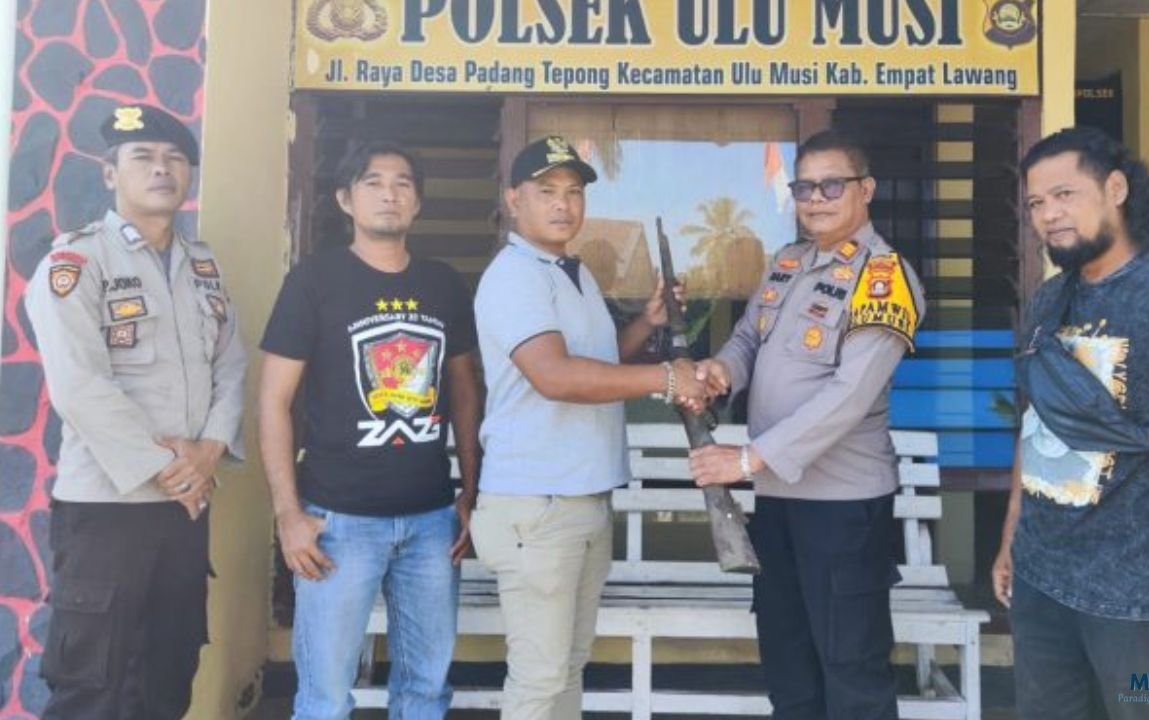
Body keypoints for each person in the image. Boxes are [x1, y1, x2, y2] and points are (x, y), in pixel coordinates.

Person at [990, 126, 1149, 720]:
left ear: (1115, 189)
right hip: (1043, 582)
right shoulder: (1049, 300)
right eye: (1036, 202)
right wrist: (1011, 538)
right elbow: (1038, 425)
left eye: (1065, 194)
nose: (1048, 215)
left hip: (1147, 599)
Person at [689, 129, 925, 720]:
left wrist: (747, 459)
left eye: (831, 185)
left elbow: (850, 396)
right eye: (804, 188)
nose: (815, 198)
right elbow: (748, 338)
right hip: (779, 501)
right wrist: (723, 369)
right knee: (788, 664)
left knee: (853, 671)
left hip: (842, 509)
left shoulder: (884, 277)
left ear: (866, 189)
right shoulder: (788, 263)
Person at [469, 136, 706, 720]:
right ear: (513, 200)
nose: (563, 204)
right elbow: (555, 376)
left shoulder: (570, 273)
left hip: (580, 499)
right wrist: (666, 378)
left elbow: (597, 363)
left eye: (574, 192)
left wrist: (646, 322)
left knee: (567, 669)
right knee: (539, 679)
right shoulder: (515, 276)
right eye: (546, 191)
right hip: (538, 505)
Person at [26, 104, 246, 719]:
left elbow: (231, 364)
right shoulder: (76, 263)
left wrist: (209, 452)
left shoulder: (204, 267)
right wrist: (167, 468)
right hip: (108, 505)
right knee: (92, 684)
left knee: (167, 676)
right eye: (143, 157)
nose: (161, 169)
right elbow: (78, 384)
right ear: (109, 174)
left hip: (185, 507)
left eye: (175, 159)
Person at [258, 141, 481, 720]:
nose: (389, 194)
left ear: (418, 202)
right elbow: (274, 402)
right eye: (373, 182)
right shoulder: (314, 280)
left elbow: (464, 392)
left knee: (426, 691)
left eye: (403, 183)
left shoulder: (443, 284)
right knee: (326, 697)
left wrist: (470, 492)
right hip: (338, 522)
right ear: (345, 199)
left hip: (431, 522)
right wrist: (288, 514)